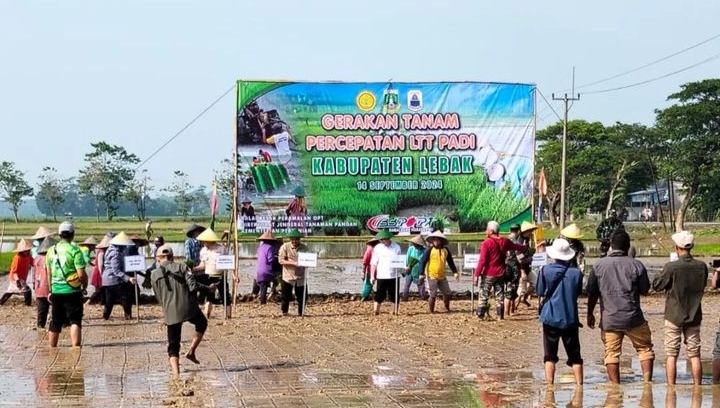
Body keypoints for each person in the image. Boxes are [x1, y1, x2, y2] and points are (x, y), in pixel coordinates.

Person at [586, 229, 654, 383]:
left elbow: (592, 293)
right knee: (645, 349)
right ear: (628, 246)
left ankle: (615, 388)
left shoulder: (599, 266)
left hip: (610, 319)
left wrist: (590, 314)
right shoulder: (636, 265)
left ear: (611, 245)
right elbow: (645, 290)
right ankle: (647, 383)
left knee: (611, 353)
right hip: (634, 318)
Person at [150, 244, 217, 378]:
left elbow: (157, 296)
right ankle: (191, 351)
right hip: (189, 308)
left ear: (159, 258)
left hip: (170, 311)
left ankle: (176, 374)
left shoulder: (154, 274)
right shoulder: (183, 267)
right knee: (202, 323)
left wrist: (166, 309)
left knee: (173, 344)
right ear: (172, 257)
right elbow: (192, 286)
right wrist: (208, 288)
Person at [652, 230, 707, 386]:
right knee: (695, 353)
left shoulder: (671, 267)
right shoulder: (701, 266)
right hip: (694, 314)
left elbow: (657, 285)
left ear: (677, 247)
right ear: (692, 246)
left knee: (671, 354)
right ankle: (697, 387)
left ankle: (671, 387)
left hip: (673, 315)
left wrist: (666, 268)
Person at [536, 239, 584, 385]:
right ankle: (579, 386)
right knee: (575, 355)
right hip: (570, 318)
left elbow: (539, 291)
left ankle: (550, 386)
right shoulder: (577, 273)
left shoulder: (544, 271)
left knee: (549, 355)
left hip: (550, 317)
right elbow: (578, 293)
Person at [473, 221, 527, 320]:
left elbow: (482, 261)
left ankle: (480, 315)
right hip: (500, 273)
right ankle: (500, 317)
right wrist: (526, 247)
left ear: (491, 231)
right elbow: (517, 247)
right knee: (499, 296)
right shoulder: (505, 241)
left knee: (484, 294)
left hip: (489, 273)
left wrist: (476, 275)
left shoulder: (486, 243)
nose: (486, 231)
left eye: (487, 229)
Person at [45, 221, 87, 347]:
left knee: (56, 320)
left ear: (59, 235)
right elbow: (80, 274)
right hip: (72, 291)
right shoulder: (75, 250)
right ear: (72, 235)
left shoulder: (51, 251)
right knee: (75, 319)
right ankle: (76, 348)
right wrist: (83, 286)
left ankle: (52, 348)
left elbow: (49, 273)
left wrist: (51, 290)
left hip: (56, 290)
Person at [192, 229, 233, 319]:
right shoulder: (203, 251)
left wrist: (234, 275)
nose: (203, 243)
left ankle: (228, 316)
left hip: (220, 276)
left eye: (204, 241)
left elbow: (229, 262)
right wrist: (194, 269)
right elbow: (203, 265)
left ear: (209, 240)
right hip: (208, 276)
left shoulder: (222, 249)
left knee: (225, 295)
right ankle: (207, 315)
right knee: (209, 296)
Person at [418, 231, 459, 313]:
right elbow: (422, 261)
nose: (435, 241)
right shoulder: (429, 250)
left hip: (442, 276)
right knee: (432, 294)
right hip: (431, 276)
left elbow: (450, 262)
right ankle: (431, 311)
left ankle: (446, 308)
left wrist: (455, 272)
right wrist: (421, 274)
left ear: (441, 241)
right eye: (434, 240)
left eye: (437, 240)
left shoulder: (445, 250)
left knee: (447, 293)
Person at [102, 232, 138, 320]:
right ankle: (128, 315)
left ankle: (105, 316)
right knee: (125, 296)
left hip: (107, 280)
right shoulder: (116, 253)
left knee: (109, 300)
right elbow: (116, 270)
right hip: (114, 279)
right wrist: (128, 278)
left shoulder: (109, 249)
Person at [370, 229, 402, 316]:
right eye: (381, 239)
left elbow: (400, 261)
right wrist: (372, 276)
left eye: (384, 239)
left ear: (388, 238)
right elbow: (373, 263)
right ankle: (376, 311)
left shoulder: (396, 247)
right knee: (380, 294)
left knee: (394, 295)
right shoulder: (377, 248)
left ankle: (395, 311)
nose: (383, 241)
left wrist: (402, 271)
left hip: (394, 275)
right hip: (381, 275)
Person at [278, 229, 308, 316]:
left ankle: (301, 313)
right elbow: (281, 260)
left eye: (296, 239)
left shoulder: (304, 248)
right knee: (285, 297)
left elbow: (309, 259)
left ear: (299, 239)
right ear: (290, 239)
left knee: (303, 297)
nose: (294, 241)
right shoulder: (285, 247)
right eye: (293, 239)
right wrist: (294, 263)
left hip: (301, 276)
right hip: (288, 276)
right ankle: (284, 312)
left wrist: (308, 263)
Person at [0, 239, 34, 306]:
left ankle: (1, 302)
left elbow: (33, 263)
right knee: (27, 290)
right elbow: (14, 271)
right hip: (16, 278)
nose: (26, 252)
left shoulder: (28, 256)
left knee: (10, 291)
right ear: (21, 250)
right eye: (25, 251)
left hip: (22, 278)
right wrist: (17, 280)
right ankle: (28, 305)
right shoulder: (17, 258)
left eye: (27, 250)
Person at [33, 236, 56, 329]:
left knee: (41, 309)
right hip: (51, 287)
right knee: (56, 308)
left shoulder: (37, 258)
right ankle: (58, 325)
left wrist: (34, 286)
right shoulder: (52, 258)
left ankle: (40, 326)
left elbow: (33, 274)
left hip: (39, 288)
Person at [255, 230, 281, 305]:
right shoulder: (270, 247)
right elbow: (270, 260)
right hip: (267, 270)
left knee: (263, 286)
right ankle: (263, 302)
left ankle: (260, 298)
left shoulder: (260, 247)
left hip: (259, 270)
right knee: (277, 279)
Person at [89, 233, 113, 304]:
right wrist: (102, 274)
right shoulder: (101, 252)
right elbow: (100, 264)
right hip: (99, 272)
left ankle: (102, 301)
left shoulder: (104, 251)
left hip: (102, 271)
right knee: (99, 289)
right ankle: (91, 300)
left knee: (102, 288)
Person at [402, 235, 427, 301]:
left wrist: (424, 272)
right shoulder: (411, 249)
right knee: (406, 285)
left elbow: (425, 262)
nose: (414, 245)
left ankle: (423, 297)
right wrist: (406, 267)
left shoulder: (424, 251)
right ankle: (405, 298)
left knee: (420, 285)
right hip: (410, 268)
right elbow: (407, 258)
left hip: (419, 269)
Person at [361, 237, 379, 302]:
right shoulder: (373, 249)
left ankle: (364, 297)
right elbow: (365, 261)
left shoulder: (370, 249)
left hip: (372, 270)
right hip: (378, 270)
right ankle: (365, 296)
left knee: (369, 284)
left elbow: (365, 261)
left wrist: (363, 271)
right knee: (375, 284)